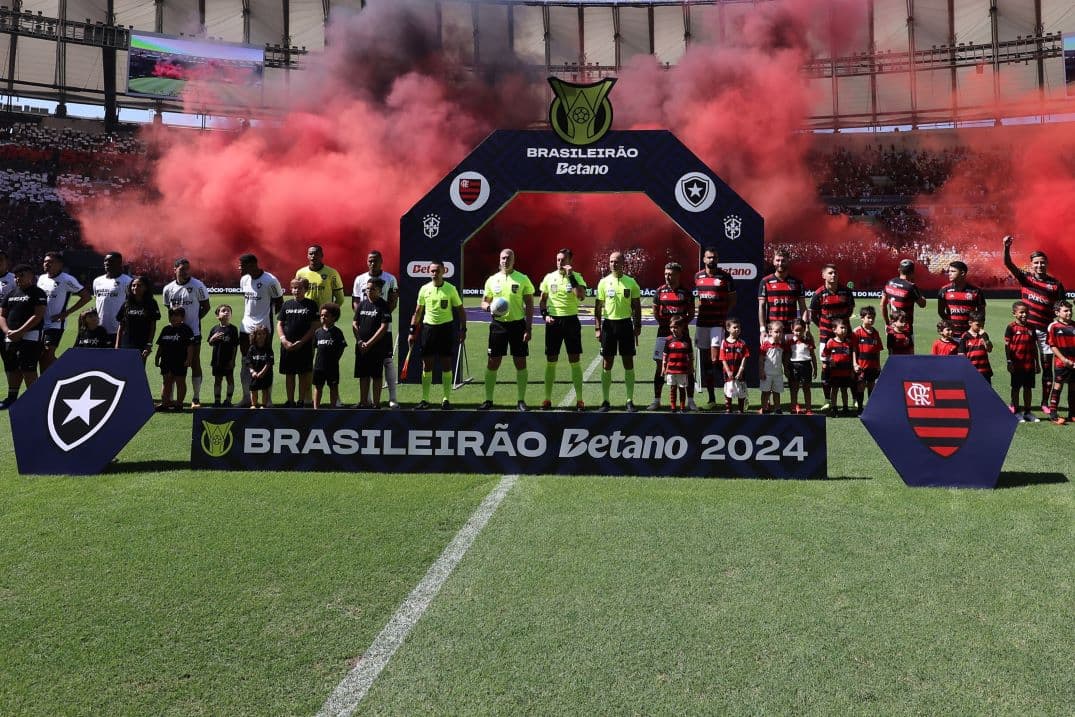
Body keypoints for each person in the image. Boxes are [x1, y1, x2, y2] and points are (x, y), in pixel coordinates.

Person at [1003, 235, 1067, 417]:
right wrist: (1006, 247)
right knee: (1022, 366)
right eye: (1037, 263)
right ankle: (1015, 403)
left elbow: (1061, 307)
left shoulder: (1055, 284)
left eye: (1042, 263)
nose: (1040, 266)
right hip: (1027, 332)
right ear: (1031, 264)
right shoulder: (1026, 279)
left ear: (1047, 264)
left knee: (1047, 367)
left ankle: (1045, 403)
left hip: (1045, 331)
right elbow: (1008, 264)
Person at [480, 249, 535, 411]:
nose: (506, 260)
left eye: (509, 258)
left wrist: (528, 328)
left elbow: (530, 304)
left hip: (518, 326)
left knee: (520, 362)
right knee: (493, 362)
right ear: (500, 259)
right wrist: (489, 307)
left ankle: (521, 400)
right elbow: (484, 302)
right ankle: (488, 400)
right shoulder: (492, 280)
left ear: (513, 260)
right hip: (498, 326)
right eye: (503, 258)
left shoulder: (522, 279)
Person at [409, 260, 466, 410]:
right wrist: (412, 331)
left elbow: (460, 310)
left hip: (446, 330)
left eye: (437, 271)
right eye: (432, 271)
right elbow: (418, 312)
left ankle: (446, 399)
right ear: (429, 272)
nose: (435, 274)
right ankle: (425, 399)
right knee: (427, 365)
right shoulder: (424, 289)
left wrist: (463, 329)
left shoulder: (451, 289)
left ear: (443, 272)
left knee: (446, 364)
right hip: (428, 330)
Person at [538, 248, 588, 411]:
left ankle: (580, 399)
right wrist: (545, 315)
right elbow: (543, 300)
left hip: (571, 321)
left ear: (569, 261)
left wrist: (571, 276)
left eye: (563, 260)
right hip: (553, 323)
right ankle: (547, 399)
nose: (560, 262)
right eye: (558, 259)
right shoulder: (549, 277)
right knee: (551, 361)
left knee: (574, 360)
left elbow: (580, 295)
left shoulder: (577, 277)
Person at [594, 250, 642, 412]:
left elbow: (636, 306)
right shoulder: (603, 282)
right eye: (611, 261)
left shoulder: (631, 282)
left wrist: (638, 325)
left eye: (617, 261)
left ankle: (629, 401)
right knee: (607, 363)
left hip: (626, 326)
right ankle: (605, 401)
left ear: (623, 264)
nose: (614, 264)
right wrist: (597, 327)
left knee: (628, 362)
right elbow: (598, 307)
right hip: (608, 326)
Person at [352, 250, 400, 409]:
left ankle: (392, 398)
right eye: (370, 260)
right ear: (367, 262)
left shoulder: (390, 279)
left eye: (375, 260)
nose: (372, 263)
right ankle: (367, 400)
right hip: (364, 326)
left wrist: (380, 316)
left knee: (387, 362)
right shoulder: (360, 279)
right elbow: (356, 302)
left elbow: (393, 302)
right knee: (366, 365)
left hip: (383, 328)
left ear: (381, 261)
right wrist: (364, 320)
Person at [161, 258, 211, 406]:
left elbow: (206, 307)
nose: (185, 271)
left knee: (194, 364)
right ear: (174, 269)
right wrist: (177, 325)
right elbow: (168, 309)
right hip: (173, 335)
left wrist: (194, 320)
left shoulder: (198, 285)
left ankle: (196, 398)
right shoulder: (168, 289)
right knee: (171, 366)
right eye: (182, 269)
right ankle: (168, 399)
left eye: (188, 269)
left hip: (193, 332)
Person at [648, 261, 695, 411]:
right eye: (666, 273)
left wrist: (681, 327)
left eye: (671, 274)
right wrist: (666, 326)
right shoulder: (660, 291)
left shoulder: (686, 293)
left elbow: (692, 313)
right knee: (659, 366)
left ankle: (691, 401)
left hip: (683, 335)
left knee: (687, 366)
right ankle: (656, 400)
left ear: (678, 275)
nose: (667, 276)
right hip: (663, 334)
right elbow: (655, 311)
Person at [238, 254, 284, 407]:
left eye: (242, 265)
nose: (240, 268)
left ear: (252, 264)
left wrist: (264, 320)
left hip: (263, 328)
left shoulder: (270, 280)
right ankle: (247, 397)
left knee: (264, 362)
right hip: (245, 327)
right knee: (246, 361)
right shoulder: (244, 279)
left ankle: (267, 400)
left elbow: (279, 302)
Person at [694, 247, 737, 409]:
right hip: (701, 323)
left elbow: (733, 300)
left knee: (715, 359)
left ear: (717, 259)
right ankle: (712, 399)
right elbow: (699, 299)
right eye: (709, 258)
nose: (711, 260)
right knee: (705, 361)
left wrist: (722, 314)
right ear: (704, 259)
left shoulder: (725, 277)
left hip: (717, 323)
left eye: (714, 257)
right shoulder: (697, 277)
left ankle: (731, 394)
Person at [0, 264, 46, 409]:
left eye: (22, 275)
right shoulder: (11, 293)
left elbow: (38, 315)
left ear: (31, 276)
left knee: (28, 368)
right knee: (12, 368)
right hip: (11, 336)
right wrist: (7, 331)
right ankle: (12, 398)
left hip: (30, 336)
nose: (18, 278)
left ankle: (35, 400)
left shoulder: (37, 292)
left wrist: (20, 331)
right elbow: (2, 315)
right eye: (16, 275)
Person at [37, 251, 91, 372]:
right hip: (39, 323)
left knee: (48, 353)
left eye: (50, 262)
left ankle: (69, 372)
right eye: (45, 262)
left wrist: (66, 313)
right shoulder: (41, 278)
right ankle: (44, 383)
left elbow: (86, 296)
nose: (47, 264)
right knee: (42, 357)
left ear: (60, 264)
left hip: (55, 323)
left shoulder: (67, 279)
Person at [809, 263, 853, 407]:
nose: (833, 275)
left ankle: (853, 401)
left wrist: (842, 326)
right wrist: (823, 326)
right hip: (826, 336)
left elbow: (850, 310)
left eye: (835, 272)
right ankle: (828, 400)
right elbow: (814, 315)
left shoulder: (846, 292)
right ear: (823, 275)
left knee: (848, 365)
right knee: (826, 366)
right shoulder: (818, 294)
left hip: (845, 335)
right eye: (830, 273)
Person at [277, 277, 319, 407]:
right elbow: (280, 324)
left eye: (299, 288)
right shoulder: (286, 304)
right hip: (287, 346)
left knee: (303, 374)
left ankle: (301, 400)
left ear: (306, 289)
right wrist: (284, 340)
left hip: (304, 345)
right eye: (294, 288)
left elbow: (315, 326)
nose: (296, 290)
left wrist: (302, 341)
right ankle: (290, 400)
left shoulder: (311, 305)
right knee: (289, 374)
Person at [758, 248, 809, 345]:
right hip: (773, 330)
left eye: (783, 261)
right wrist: (762, 330)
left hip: (792, 330)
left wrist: (806, 327)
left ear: (788, 261)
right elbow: (761, 307)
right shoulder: (765, 281)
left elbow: (803, 307)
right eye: (777, 260)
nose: (780, 263)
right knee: (772, 359)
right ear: (773, 262)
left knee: (790, 359)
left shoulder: (797, 282)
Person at [353, 279, 391, 408]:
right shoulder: (362, 304)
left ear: (380, 291)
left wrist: (369, 343)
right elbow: (354, 323)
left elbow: (384, 327)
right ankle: (363, 402)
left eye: (372, 289)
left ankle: (376, 403)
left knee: (376, 375)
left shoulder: (383, 305)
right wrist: (359, 341)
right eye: (367, 289)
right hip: (361, 346)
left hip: (377, 347)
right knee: (363, 375)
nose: (369, 291)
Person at [1004, 301, 1040, 423]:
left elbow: (1034, 346)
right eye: (1021, 312)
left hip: (1029, 364)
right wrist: (1009, 361)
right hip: (1017, 364)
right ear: (1014, 313)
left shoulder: (1031, 327)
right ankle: (1016, 412)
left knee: (1028, 388)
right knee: (1016, 388)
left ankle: (1028, 412)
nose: (1024, 314)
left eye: (1026, 312)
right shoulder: (1011, 327)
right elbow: (1007, 346)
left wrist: (1037, 363)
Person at [154, 307, 195, 411]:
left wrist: (189, 359)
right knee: (166, 381)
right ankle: (165, 403)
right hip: (166, 361)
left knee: (180, 381)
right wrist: (157, 356)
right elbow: (161, 345)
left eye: (176, 315)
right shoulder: (165, 329)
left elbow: (190, 346)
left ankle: (179, 404)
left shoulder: (186, 329)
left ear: (182, 317)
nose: (173, 317)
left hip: (180, 360)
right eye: (171, 315)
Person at [881, 259, 927, 349]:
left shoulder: (890, 282)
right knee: (908, 357)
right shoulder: (911, 287)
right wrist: (916, 288)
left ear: (899, 270)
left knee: (892, 356)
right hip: (906, 327)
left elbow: (882, 305)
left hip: (892, 326)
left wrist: (887, 323)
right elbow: (922, 304)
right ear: (913, 272)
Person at [115, 276, 160, 364]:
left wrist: (149, 344)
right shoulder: (126, 303)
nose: (135, 288)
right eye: (133, 285)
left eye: (139, 285)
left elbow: (153, 326)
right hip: (126, 343)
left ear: (145, 287)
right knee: (124, 371)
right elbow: (121, 326)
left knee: (139, 371)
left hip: (142, 344)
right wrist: (117, 345)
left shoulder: (151, 303)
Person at [937, 260, 986, 340]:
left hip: (969, 335)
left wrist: (977, 330)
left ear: (962, 273)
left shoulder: (976, 291)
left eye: (953, 271)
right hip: (952, 335)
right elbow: (941, 312)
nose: (949, 273)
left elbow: (981, 314)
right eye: (949, 271)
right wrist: (950, 326)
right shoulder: (944, 290)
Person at [92, 252, 132, 348]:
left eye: (111, 261)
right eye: (105, 260)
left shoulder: (127, 281)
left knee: (118, 359)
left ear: (119, 263)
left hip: (118, 329)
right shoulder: (97, 281)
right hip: (99, 328)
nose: (107, 263)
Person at [313, 303, 347, 410]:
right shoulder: (318, 332)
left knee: (333, 387)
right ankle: (316, 409)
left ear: (334, 318)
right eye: (321, 315)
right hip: (319, 367)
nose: (323, 317)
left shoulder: (337, 332)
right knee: (318, 387)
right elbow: (314, 347)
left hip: (332, 366)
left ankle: (333, 408)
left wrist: (335, 359)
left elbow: (341, 348)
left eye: (326, 315)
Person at [1046, 301, 1075, 425]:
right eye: (1066, 311)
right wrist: (1064, 359)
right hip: (1061, 363)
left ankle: (1072, 414)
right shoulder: (1054, 326)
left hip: (1074, 363)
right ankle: (1053, 414)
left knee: (1073, 388)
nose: (1069, 313)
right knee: (1058, 386)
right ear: (1057, 313)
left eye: (1070, 310)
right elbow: (1052, 346)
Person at [821, 318, 855, 417]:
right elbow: (825, 354)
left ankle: (845, 407)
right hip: (834, 372)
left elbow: (851, 357)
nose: (844, 330)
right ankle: (834, 407)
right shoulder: (830, 342)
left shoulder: (848, 342)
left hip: (845, 372)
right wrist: (830, 361)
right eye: (842, 328)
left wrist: (852, 370)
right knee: (834, 390)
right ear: (834, 330)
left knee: (844, 390)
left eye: (845, 328)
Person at [207, 305, 239, 407]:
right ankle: (217, 400)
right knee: (218, 380)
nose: (226, 312)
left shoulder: (233, 329)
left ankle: (228, 400)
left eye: (228, 311)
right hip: (216, 359)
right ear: (217, 315)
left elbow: (234, 346)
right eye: (223, 311)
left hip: (228, 359)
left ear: (231, 315)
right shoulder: (214, 329)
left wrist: (232, 360)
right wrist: (213, 338)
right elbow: (210, 343)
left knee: (230, 379)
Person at [297, 244, 345, 310]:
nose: (313, 256)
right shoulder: (300, 273)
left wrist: (330, 312)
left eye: (316, 254)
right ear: (307, 256)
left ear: (322, 255)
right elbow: (297, 295)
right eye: (311, 254)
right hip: (305, 312)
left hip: (323, 315)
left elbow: (340, 299)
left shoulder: (332, 273)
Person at [661, 316, 694, 412]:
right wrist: (664, 368)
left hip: (682, 369)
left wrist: (691, 367)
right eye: (671, 327)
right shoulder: (668, 340)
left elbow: (690, 355)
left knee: (682, 388)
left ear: (682, 327)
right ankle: (673, 407)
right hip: (671, 369)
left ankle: (682, 407)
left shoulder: (687, 339)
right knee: (672, 388)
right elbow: (665, 355)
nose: (673, 329)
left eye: (675, 327)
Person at [852, 306, 882, 412]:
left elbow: (878, 350)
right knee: (860, 386)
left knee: (871, 386)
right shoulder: (857, 332)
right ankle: (860, 407)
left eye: (873, 317)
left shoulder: (875, 333)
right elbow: (854, 349)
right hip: (861, 365)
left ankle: (870, 408)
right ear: (862, 318)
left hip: (872, 365)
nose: (871, 320)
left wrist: (878, 365)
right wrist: (855, 363)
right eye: (868, 317)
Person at [718, 318, 749, 413]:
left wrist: (741, 370)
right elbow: (722, 358)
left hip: (739, 373)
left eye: (739, 327)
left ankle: (741, 410)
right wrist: (728, 371)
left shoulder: (742, 343)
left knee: (741, 392)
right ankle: (728, 409)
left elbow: (745, 357)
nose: (737, 329)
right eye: (734, 327)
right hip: (728, 373)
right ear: (728, 329)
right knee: (729, 391)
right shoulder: (724, 343)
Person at [787, 318, 817, 415]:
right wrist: (786, 368)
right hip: (794, 366)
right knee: (794, 388)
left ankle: (808, 409)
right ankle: (793, 407)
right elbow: (787, 356)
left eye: (801, 330)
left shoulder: (808, 341)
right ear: (792, 330)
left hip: (806, 365)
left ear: (804, 330)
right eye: (796, 330)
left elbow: (812, 355)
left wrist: (815, 368)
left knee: (806, 388)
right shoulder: (790, 342)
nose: (798, 333)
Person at [758, 320, 788, 414]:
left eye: (781, 332)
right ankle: (764, 408)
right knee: (765, 392)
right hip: (767, 374)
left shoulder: (782, 345)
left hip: (778, 374)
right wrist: (761, 371)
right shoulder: (766, 344)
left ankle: (777, 408)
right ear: (770, 332)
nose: (779, 334)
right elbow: (761, 360)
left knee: (776, 392)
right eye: (776, 332)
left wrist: (786, 369)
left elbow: (784, 359)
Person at [247, 324, 274, 410]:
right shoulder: (251, 348)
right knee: (253, 389)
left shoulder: (268, 349)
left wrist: (262, 372)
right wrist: (252, 371)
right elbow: (249, 361)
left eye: (263, 334)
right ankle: (253, 404)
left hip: (265, 374)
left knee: (265, 389)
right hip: (254, 374)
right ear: (254, 336)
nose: (261, 336)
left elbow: (269, 363)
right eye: (259, 334)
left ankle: (264, 405)